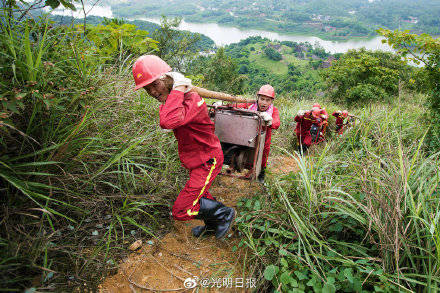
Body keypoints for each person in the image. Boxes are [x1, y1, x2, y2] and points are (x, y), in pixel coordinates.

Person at [132, 55, 235, 239]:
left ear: (167, 79)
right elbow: (169, 116)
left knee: (182, 210)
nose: (153, 92)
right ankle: (212, 225)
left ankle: (224, 214)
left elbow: (168, 121)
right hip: (196, 161)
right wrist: (175, 91)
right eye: (147, 89)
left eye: (155, 85)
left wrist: (178, 88)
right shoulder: (171, 101)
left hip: (207, 160)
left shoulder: (191, 99)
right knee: (200, 194)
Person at [234, 84, 280, 182]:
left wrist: (270, 121)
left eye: (268, 100)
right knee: (247, 152)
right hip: (248, 135)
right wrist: (221, 105)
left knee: (263, 156)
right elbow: (235, 106)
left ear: (271, 101)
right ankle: (245, 167)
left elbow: (277, 123)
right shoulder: (250, 105)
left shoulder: (273, 111)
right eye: (262, 99)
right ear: (257, 97)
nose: (264, 103)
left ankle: (261, 174)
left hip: (264, 138)